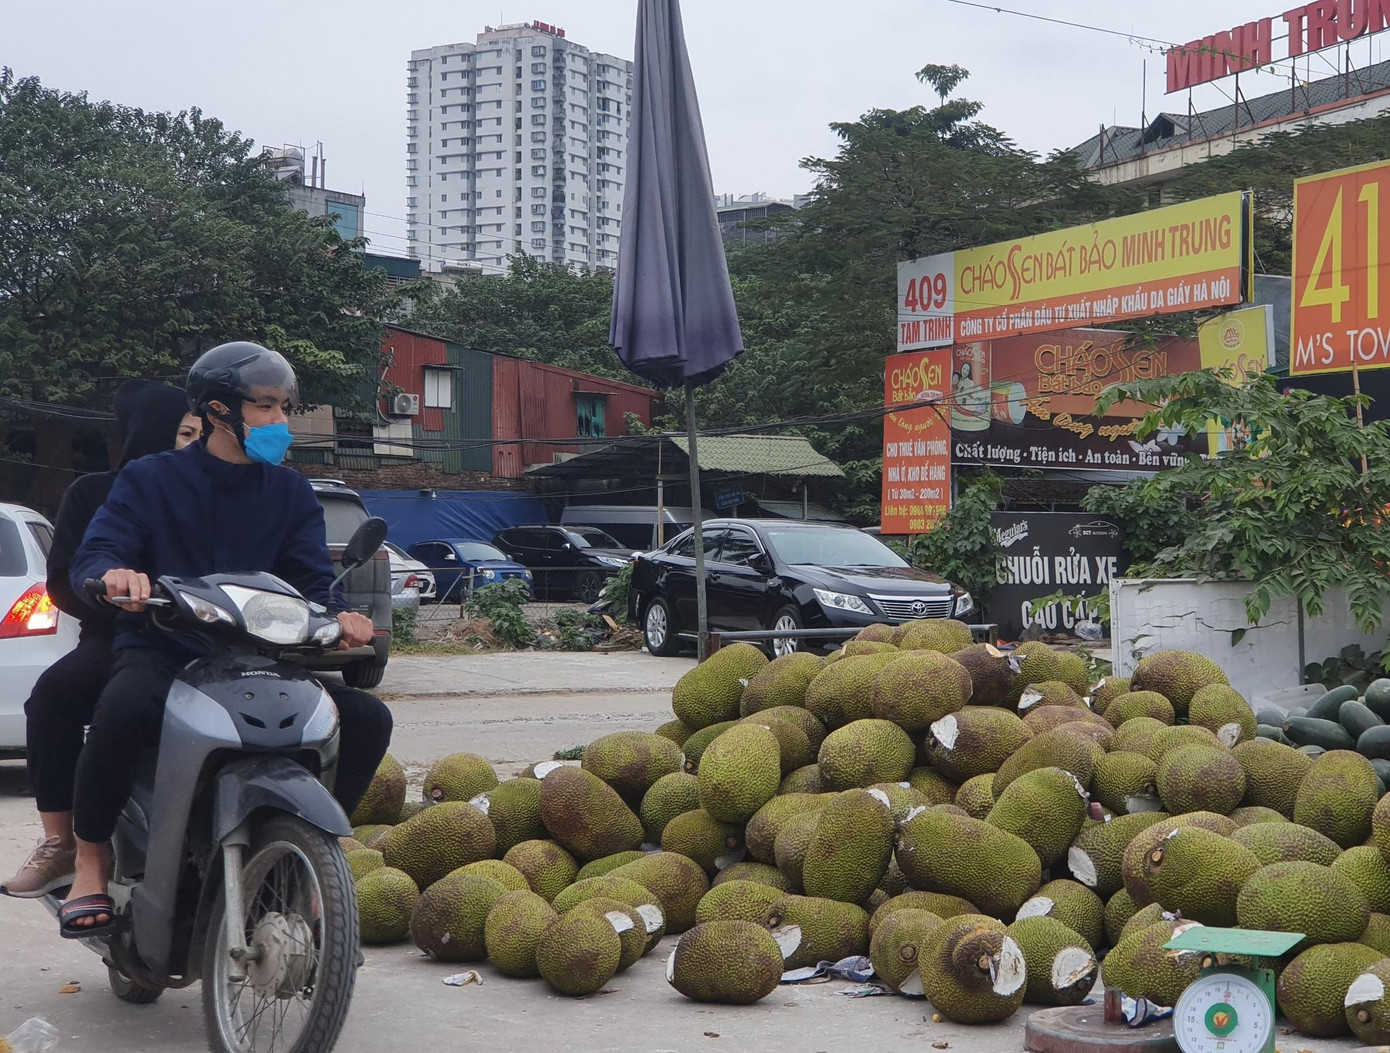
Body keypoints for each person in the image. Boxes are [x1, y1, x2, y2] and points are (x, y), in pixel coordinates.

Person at [57, 342, 393, 935]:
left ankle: (307, 848)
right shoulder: (150, 478)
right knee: (122, 709)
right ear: (218, 410)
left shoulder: (289, 493)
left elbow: (313, 579)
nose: (279, 422)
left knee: (365, 718)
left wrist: (341, 616)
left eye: (284, 407)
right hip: (165, 648)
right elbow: (101, 548)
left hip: (260, 656)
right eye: (265, 407)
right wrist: (113, 575)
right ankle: (90, 858)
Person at [1, 381, 200, 898]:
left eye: (202, 434)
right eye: (184, 433)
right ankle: (61, 842)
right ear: (149, 435)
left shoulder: (217, 494)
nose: (194, 445)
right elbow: (63, 582)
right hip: (115, 636)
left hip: (209, 640)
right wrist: (113, 596)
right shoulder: (94, 494)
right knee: (53, 695)